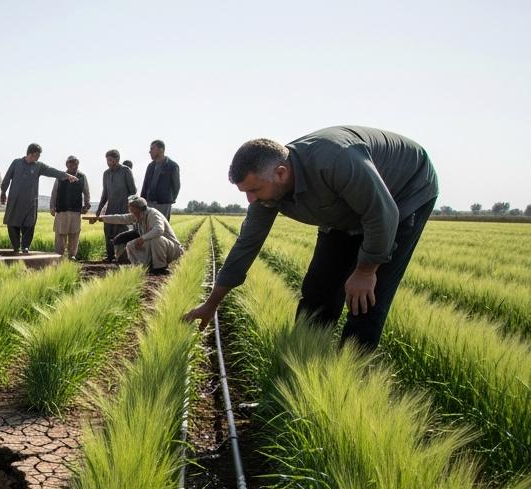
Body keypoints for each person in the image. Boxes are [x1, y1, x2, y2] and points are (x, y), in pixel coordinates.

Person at [182, 126, 438, 350]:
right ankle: (305, 360)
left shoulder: (336, 159)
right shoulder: (267, 193)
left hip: (404, 194)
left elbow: (382, 213)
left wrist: (365, 270)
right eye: (245, 192)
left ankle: (351, 376)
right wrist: (211, 304)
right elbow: (246, 244)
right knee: (318, 291)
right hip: (343, 209)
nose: (250, 200)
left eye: (254, 190)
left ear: (281, 173)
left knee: (366, 301)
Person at [0, 143, 78, 254]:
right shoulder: (16, 163)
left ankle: (25, 247)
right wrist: (3, 191)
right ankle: (16, 247)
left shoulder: (38, 166)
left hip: (30, 202)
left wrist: (67, 176)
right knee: (12, 223)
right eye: (38, 155)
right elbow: (7, 177)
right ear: (33, 154)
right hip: (15, 200)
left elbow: (52, 171)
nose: (39, 157)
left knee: (29, 224)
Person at [97, 195, 183, 274]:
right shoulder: (137, 215)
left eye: (133, 211)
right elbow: (121, 218)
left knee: (156, 239)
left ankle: (160, 268)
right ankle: (142, 267)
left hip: (172, 250)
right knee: (130, 245)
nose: (133, 215)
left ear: (141, 209)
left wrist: (142, 238)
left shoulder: (153, 214)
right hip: (155, 246)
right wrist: (101, 218)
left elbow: (159, 230)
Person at [91, 149, 137, 262]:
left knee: (121, 233)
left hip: (123, 208)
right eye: (107, 160)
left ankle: (122, 257)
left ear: (117, 160)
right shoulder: (106, 173)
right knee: (108, 232)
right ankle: (110, 256)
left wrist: (131, 208)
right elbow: (105, 193)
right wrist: (99, 209)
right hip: (110, 208)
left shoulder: (126, 171)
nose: (109, 163)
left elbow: (133, 191)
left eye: (111, 160)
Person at [49, 155, 91, 259]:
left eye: (75, 164)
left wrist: (86, 204)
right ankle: (59, 256)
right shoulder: (60, 176)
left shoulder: (82, 176)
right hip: (62, 210)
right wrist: (52, 207)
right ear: (67, 165)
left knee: (74, 234)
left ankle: (72, 255)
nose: (74, 166)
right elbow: (54, 192)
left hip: (76, 210)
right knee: (60, 234)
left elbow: (86, 192)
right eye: (71, 164)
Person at [141, 140, 180, 219]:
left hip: (164, 205)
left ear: (161, 150)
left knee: (162, 226)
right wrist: (142, 202)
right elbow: (145, 185)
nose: (150, 151)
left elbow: (176, 186)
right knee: (149, 226)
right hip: (149, 203)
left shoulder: (172, 166)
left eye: (152, 149)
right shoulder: (150, 166)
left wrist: (168, 200)